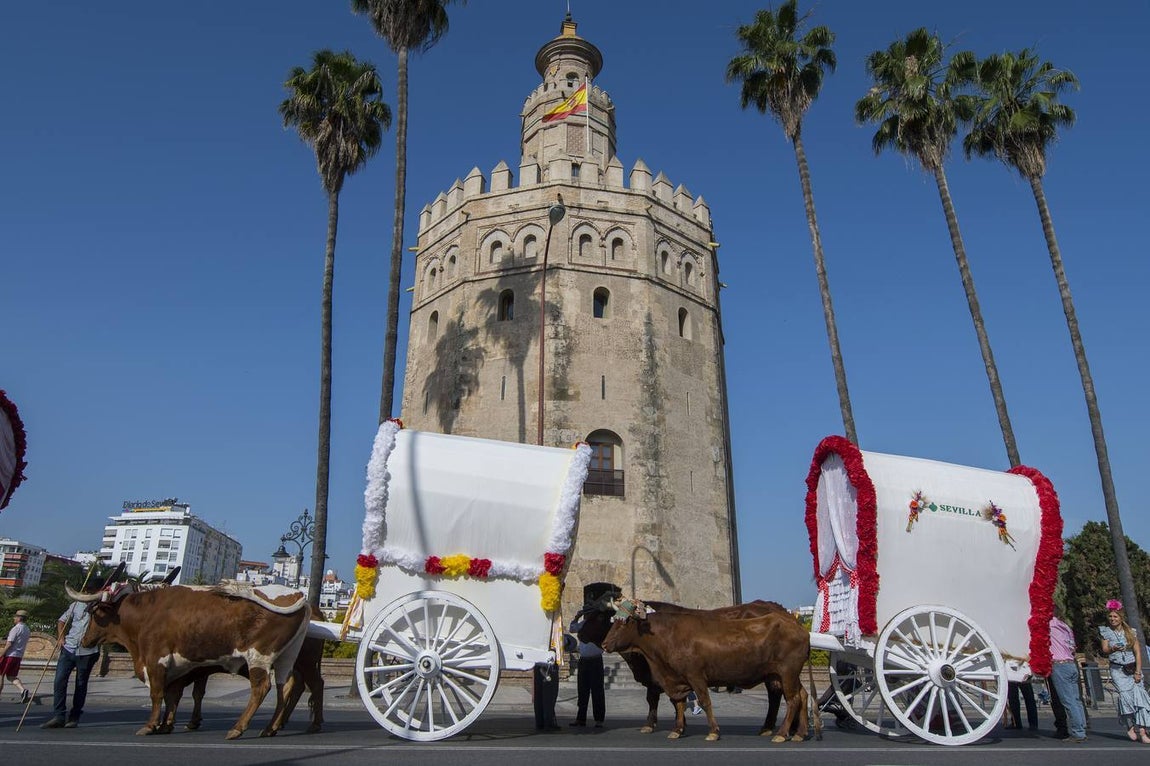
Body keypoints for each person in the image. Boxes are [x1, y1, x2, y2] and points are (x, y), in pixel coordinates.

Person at [41, 596, 100, 729]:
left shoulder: (102, 607)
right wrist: (61, 638)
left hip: (87, 652)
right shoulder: (76, 604)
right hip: (69, 648)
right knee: (59, 681)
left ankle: (74, 717)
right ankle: (59, 716)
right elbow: (62, 620)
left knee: (81, 684)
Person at [1098, 598, 1150, 743]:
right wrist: (1112, 648)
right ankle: (1130, 725)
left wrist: (1138, 672)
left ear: (1121, 618)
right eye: (1110, 616)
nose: (1112, 619)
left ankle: (1143, 730)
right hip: (1117, 670)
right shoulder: (1105, 632)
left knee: (1140, 699)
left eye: (1115, 616)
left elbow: (1138, 653)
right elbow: (1104, 649)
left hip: (1132, 668)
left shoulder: (1130, 632)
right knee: (1126, 698)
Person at [1048, 610, 1087, 743]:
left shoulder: (1050, 625)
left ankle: (1078, 732)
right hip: (1071, 663)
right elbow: (1073, 648)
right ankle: (1082, 727)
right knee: (1076, 700)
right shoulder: (1066, 627)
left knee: (1068, 701)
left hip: (1059, 664)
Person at [568, 609, 606, 728]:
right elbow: (572, 628)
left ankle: (599, 719)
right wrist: (576, 617)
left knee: (597, 691)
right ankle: (581, 719)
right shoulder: (583, 624)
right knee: (582, 690)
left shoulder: (599, 625)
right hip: (584, 661)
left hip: (596, 660)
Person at [0, 609, 32, 703]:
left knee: (1, 675)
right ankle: (23, 690)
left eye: (15, 616)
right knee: (11, 676)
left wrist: (1, 654)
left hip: (9, 655)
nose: (14, 618)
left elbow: (9, 644)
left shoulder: (16, 629)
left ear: (19, 618)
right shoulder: (27, 629)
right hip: (18, 656)